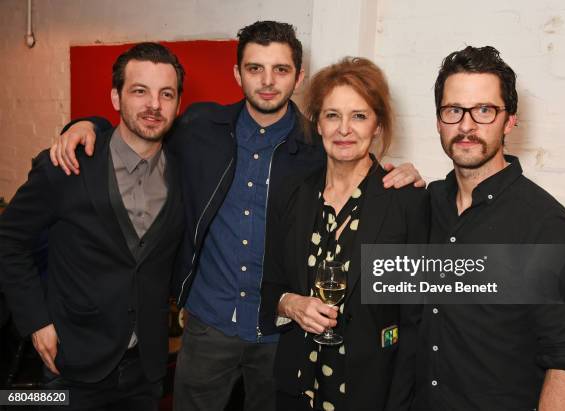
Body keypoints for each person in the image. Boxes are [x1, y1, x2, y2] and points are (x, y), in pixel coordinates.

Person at [50, 21, 423, 411]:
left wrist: (396, 176)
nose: (267, 81)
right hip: (209, 324)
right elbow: (143, 127)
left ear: (298, 77)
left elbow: (354, 160)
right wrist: (85, 126)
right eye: (254, 68)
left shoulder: (315, 146)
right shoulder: (199, 127)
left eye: (280, 69)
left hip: (280, 336)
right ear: (237, 74)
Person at [0, 42, 185, 410]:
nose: (154, 105)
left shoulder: (185, 171)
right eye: (139, 91)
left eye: (166, 94)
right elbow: (9, 241)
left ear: (178, 104)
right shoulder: (67, 166)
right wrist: (36, 321)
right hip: (71, 361)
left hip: (145, 370)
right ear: (115, 97)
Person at [412, 46, 565, 411]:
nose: (466, 126)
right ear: (438, 120)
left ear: (509, 120)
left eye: (484, 110)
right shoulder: (425, 205)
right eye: (453, 111)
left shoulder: (548, 227)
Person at [259, 57, 429, 411]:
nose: (344, 129)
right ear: (318, 123)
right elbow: (269, 284)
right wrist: (290, 303)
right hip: (297, 387)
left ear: (378, 124)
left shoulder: (406, 202)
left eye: (359, 116)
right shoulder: (292, 193)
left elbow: (415, 319)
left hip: (370, 392)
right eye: (332, 115)